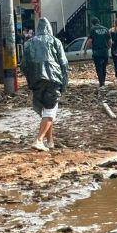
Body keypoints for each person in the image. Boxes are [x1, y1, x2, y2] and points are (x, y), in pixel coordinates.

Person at [21, 18, 68, 151]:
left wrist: (30, 79)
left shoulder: (29, 43)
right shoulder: (55, 41)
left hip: (36, 80)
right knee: (50, 111)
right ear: (49, 29)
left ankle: (50, 141)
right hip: (53, 80)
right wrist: (64, 82)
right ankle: (39, 140)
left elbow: (23, 65)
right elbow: (64, 63)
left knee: (45, 110)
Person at [86, 17, 113, 87]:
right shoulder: (106, 29)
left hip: (97, 52)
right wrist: (108, 48)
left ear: (92, 23)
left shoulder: (92, 29)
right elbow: (110, 41)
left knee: (98, 67)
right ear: (99, 22)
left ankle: (101, 82)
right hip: (105, 52)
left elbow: (90, 41)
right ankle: (103, 80)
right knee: (104, 67)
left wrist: (87, 48)